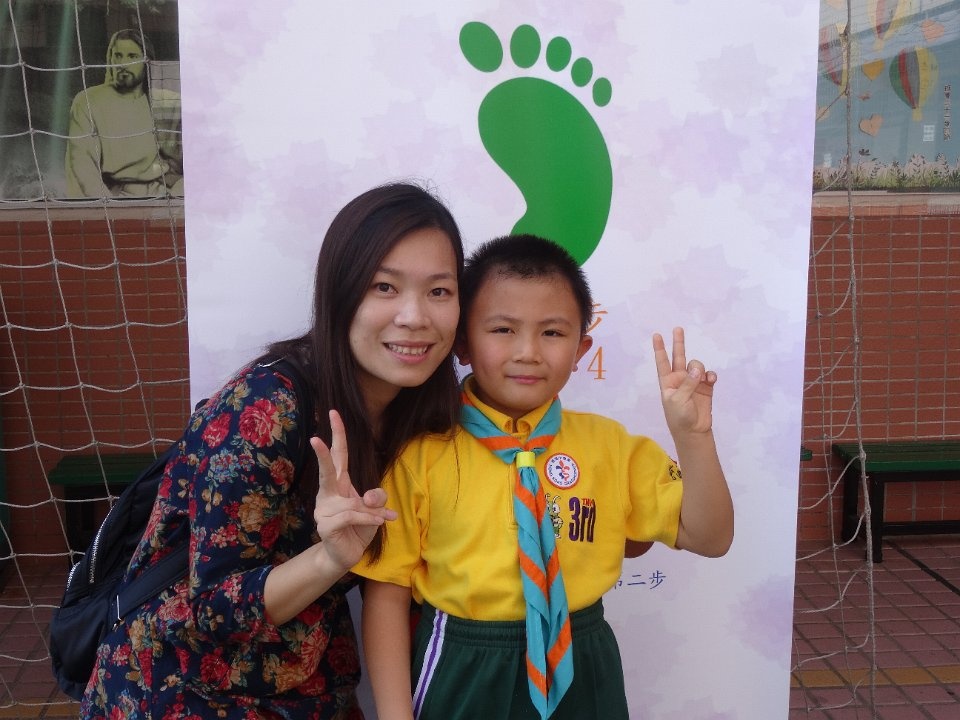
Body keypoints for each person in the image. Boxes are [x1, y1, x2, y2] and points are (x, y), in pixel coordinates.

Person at [79, 182, 465, 718]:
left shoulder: (425, 416)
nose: (414, 316)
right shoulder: (266, 405)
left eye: (439, 291)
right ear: (340, 293)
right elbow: (214, 610)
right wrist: (330, 558)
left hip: (310, 685)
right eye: (384, 287)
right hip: (183, 689)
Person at [354, 234, 735, 720]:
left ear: (580, 349)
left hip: (584, 659)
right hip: (464, 664)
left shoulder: (612, 447)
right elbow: (386, 594)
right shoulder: (419, 456)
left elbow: (711, 537)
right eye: (503, 329)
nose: (528, 352)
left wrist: (694, 437)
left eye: (552, 333)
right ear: (463, 343)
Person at [65, 29, 183, 198]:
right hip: (115, 198)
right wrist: (108, 205)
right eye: (118, 56)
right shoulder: (88, 101)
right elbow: (82, 166)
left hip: (163, 195)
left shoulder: (167, 102)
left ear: (146, 61)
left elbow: (182, 163)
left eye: (132, 56)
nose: (123, 63)